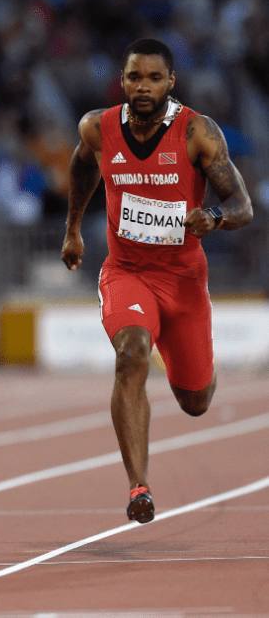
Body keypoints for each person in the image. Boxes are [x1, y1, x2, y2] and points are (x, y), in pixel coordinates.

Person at [61, 38, 252, 523]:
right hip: (127, 272)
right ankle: (138, 487)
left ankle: (195, 365)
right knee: (130, 355)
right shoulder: (97, 127)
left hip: (184, 280)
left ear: (171, 82)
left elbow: (242, 206)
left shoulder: (197, 133)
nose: (142, 87)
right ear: (121, 81)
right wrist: (73, 232)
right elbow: (83, 166)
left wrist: (213, 215)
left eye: (152, 78)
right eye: (133, 77)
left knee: (195, 402)